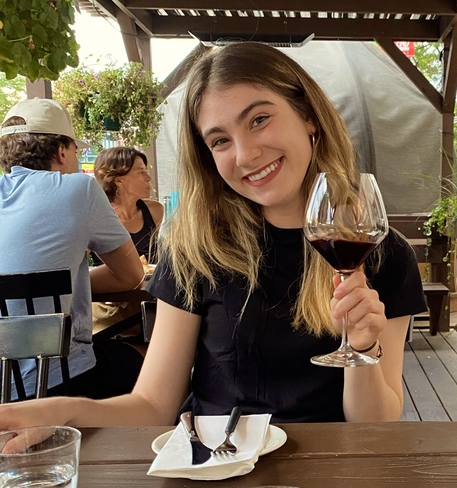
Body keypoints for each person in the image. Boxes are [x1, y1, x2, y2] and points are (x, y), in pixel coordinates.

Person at [0, 44, 426, 433]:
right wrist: (65, 411)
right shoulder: (198, 249)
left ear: (308, 116)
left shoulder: (381, 253)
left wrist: (362, 346)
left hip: (329, 470)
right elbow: (152, 406)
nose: (245, 155)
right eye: (220, 140)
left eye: (259, 120)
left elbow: (375, 424)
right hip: (215, 466)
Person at [0, 98, 145, 401]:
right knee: (151, 360)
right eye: (76, 151)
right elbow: (131, 275)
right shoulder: (79, 188)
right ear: (61, 151)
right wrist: (66, 282)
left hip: (5, 387)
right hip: (56, 382)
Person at [90, 147, 164, 338]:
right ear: (119, 179)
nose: (148, 178)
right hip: (111, 311)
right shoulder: (97, 217)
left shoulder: (155, 211)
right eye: (141, 172)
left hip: (150, 304)